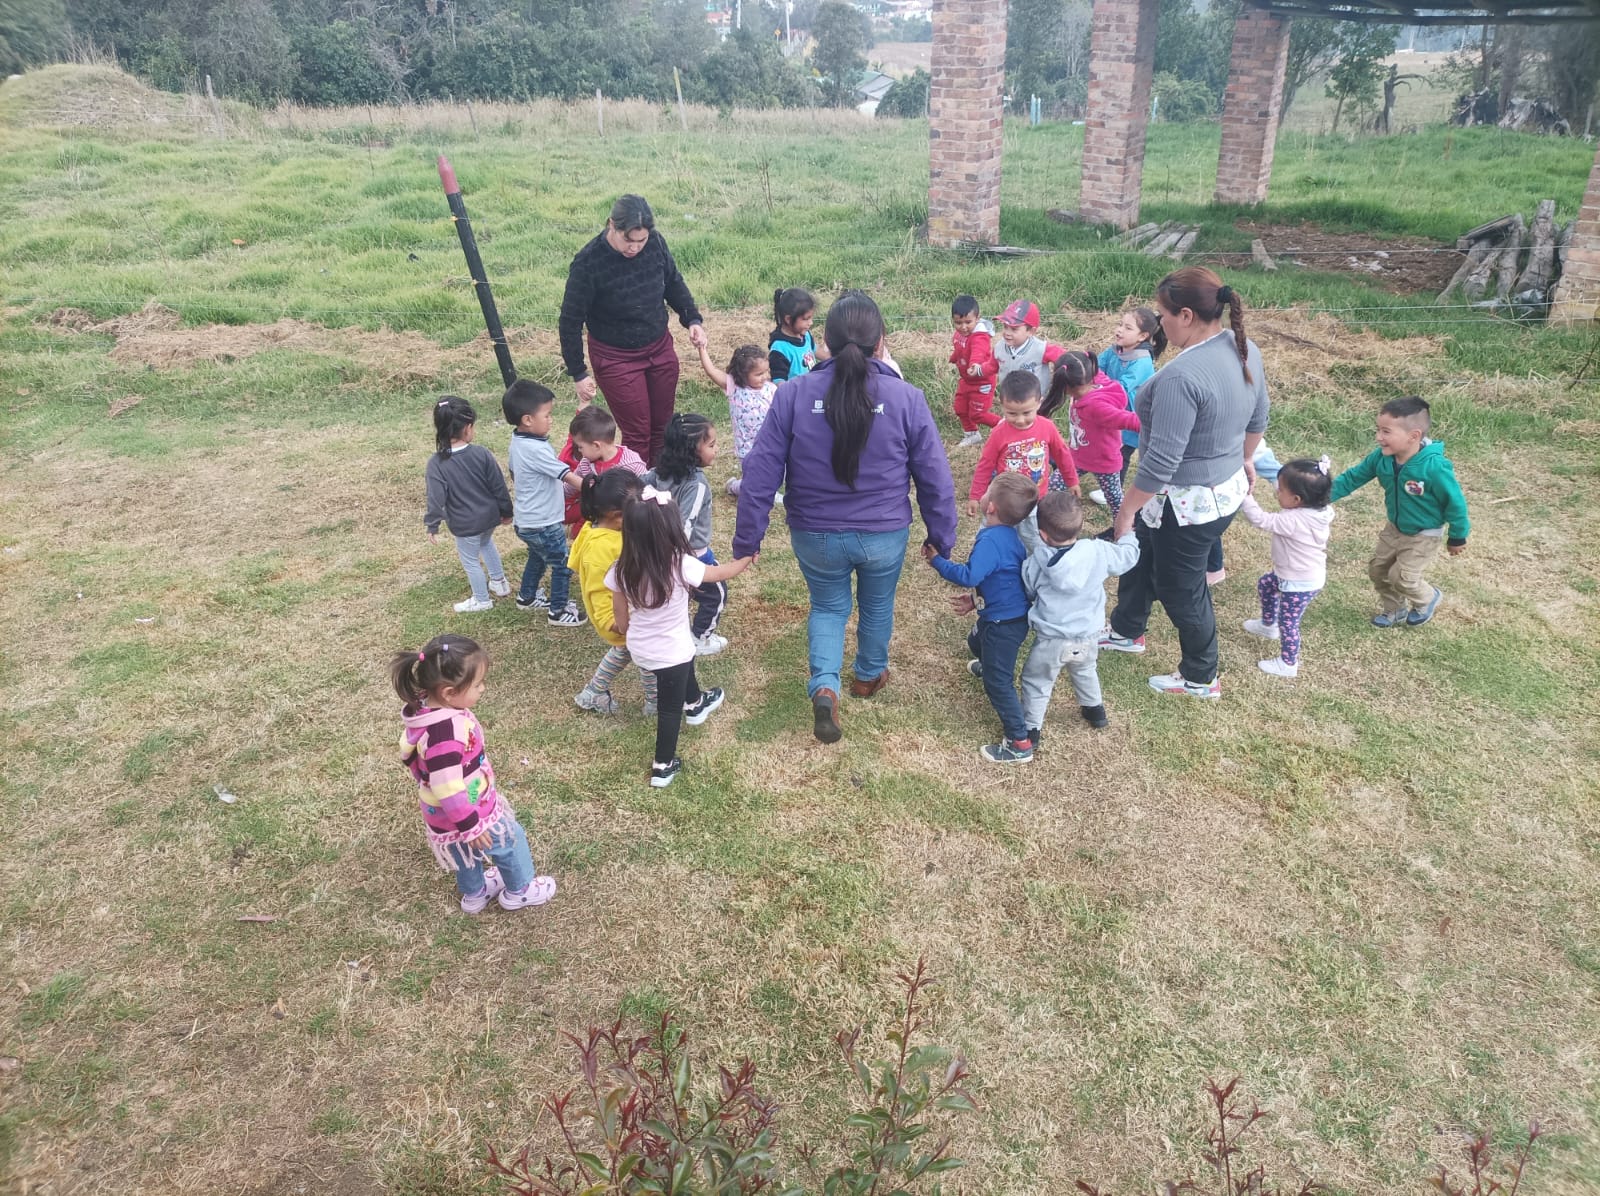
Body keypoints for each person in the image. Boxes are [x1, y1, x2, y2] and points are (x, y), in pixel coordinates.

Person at [733, 289, 958, 744]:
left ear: (825, 344)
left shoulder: (792, 394)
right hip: (883, 533)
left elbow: (760, 474)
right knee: (876, 604)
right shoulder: (906, 398)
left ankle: (825, 685)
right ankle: (869, 675)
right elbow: (935, 476)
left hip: (814, 533)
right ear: (881, 342)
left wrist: (748, 540)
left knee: (829, 606)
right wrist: (942, 535)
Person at [1102, 267, 1271, 702]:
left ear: (1187, 315)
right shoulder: (1243, 347)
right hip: (1221, 490)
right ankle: (1126, 630)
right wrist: (1245, 458)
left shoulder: (1182, 376)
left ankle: (1201, 675)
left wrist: (1127, 508)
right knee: (1142, 557)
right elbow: (1258, 419)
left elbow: (1161, 459)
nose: (1159, 324)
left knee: (1181, 585)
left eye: (1162, 315)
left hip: (1186, 503)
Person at [391, 634, 557, 913]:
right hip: (466, 809)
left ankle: (475, 894)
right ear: (448, 692)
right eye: (477, 684)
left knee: (462, 852)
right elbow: (447, 786)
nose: (483, 689)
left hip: (441, 814)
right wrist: (470, 826)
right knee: (508, 839)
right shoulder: (446, 733)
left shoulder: (426, 710)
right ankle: (520, 889)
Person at [607, 486, 752, 787]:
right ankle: (663, 765)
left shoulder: (622, 568)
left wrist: (621, 629)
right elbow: (720, 574)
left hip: (642, 647)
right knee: (669, 709)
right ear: (671, 528)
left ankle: (696, 702)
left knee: (682, 658)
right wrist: (746, 559)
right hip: (670, 652)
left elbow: (620, 616)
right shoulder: (680, 564)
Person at [559, 195, 705, 467]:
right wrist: (578, 371)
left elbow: (673, 283)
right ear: (612, 225)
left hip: (658, 346)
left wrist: (692, 320)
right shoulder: (588, 262)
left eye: (642, 240)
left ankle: (662, 486)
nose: (635, 247)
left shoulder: (656, 244)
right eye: (628, 240)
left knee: (663, 426)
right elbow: (570, 320)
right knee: (637, 432)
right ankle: (638, 496)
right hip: (616, 357)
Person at [925, 473, 1038, 764]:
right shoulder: (1008, 535)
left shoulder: (991, 541)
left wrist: (937, 561)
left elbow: (970, 575)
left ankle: (1019, 741)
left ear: (991, 508)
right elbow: (1001, 579)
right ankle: (988, 663)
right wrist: (976, 601)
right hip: (1002, 614)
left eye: (987, 492)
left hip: (1005, 624)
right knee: (975, 643)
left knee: (998, 682)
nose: (983, 494)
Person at [1329, 396, 1469, 628]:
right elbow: (1353, 478)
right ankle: (1394, 610)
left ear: (1413, 436)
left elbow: (1455, 503)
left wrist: (1458, 535)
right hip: (1394, 528)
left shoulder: (1434, 467)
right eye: (1378, 430)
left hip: (1424, 533)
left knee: (1402, 577)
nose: (1378, 437)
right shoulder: (1381, 459)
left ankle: (1427, 598)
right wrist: (1322, 497)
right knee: (1378, 570)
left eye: (1386, 432)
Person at [1019, 491, 1141, 738]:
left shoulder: (1035, 563)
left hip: (1051, 640)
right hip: (1088, 634)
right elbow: (1128, 557)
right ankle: (1095, 710)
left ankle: (1031, 730)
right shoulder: (1098, 551)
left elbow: (1029, 589)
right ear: (1079, 525)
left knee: (1037, 682)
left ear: (1042, 534)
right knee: (1085, 669)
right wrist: (1129, 537)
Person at [570, 470, 658, 715]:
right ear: (618, 516)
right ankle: (655, 703)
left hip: (623, 613)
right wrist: (615, 622)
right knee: (646, 655)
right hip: (617, 618)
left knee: (624, 652)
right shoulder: (604, 548)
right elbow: (599, 590)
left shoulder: (592, 528)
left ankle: (594, 692)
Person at [1239, 457, 1336, 678]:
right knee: (1266, 584)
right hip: (1292, 573)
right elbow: (1291, 498)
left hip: (1299, 581)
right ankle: (1267, 624)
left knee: (1289, 622)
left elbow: (1260, 519)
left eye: (1280, 490)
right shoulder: (1318, 510)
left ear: (1297, 499)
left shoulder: (1294, 521)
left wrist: (1246, 497)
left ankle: (1288, 663)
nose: (1276, 492)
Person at [642, 413, 728, 656]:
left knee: (676, 597)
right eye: (711, 445)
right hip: (692, 555)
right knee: (717, 595)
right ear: (691, 451)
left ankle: (671, 632)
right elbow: (685, 526)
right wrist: (681, 560)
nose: (717, 450)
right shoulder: (697, 484)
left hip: (660, 550)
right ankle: (700, 639)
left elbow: (639, 483)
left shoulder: (661, 472)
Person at [502, 379, 586, 627]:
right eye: (547, 415)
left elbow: (514, 474)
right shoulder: (536, 450)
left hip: (526, 520)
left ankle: (526, 597)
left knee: (538, 557)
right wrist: (596, 489)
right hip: (543, 522)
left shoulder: (518, 442)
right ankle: (558, 611)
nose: (551, 419)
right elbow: (567, 476)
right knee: (563, 564)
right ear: (528, 420)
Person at [423, 396, 513, 614]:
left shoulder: (437, 464)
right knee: (486, 543)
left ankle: (482, 600)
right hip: (489, 518)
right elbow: (498, 485)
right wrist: (507, 511)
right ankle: (500, 583)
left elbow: (436, 498)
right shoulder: (481, 453)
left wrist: (432, 524)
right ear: (467, 427)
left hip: (465, 525)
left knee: (470, 560)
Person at [969, 370, 1080, 517]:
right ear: (1002, 406)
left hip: (1037, 497)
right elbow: (986, 464)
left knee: (1032, 534)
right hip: (1007, 499)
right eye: (1012, 413)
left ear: (1039, 403)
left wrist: (1072, 481)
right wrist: (975, 496)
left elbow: (1062, 455)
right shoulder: (998, 433)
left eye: (1027, 413)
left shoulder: (1047, 427)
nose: (1020, 420)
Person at [1044, 350, 1140, 517]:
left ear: (1066, 387)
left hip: (1104, 462)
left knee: (1115, 499)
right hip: (1077, 456)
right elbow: (1076, 363)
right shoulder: (1091, 378)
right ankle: (1048, 516)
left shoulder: (1096, 407)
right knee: (1053, 485)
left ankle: (1126, 528)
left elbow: (1129, 420)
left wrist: (1158, 424)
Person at [695, 340, 776, 499]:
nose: (765, 377)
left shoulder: (771, 389)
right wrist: (702, 349)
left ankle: (749, 488)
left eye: (766, 371)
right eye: (759, 374)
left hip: (769, 444)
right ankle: (735, 487)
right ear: (743, 375)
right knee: (754, 481)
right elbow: (711, 371)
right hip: (747, 448)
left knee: (770, 474)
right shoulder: (734, 386)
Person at [1097, 307, 1166, 487]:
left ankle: (1115, 488)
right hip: (1113, 410)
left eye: (1128, 328)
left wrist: (1097, 385)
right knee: (1105, 446)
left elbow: (1122, 386)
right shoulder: (1114, 350)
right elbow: (1096, 366)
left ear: (1142, 336)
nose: (1120, 330)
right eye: (1120, 324)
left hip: (1131, 416)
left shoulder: (1142, 361)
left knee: (1122, 453)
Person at [949, 294, 998, 448]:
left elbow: (978, 351)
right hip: (966, 380)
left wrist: (975, 365)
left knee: (978, 414)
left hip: (982, 381)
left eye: (968, 322)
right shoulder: (959, 335)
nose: (963, 327)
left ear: (977, 318)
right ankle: (972, 434)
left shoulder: (979, 336)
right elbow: (959, 348)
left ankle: (1005, 426)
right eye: (958, 322)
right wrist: (954, 358)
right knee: (960, 408)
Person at [993, 299, 1066, 395]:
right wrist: (979, 371)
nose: (1007, 333)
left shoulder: (1040, 349)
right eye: (1005, 327)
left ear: (1030, 332)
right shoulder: (1000, 347)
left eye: (1014, 329)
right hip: (1009, 400)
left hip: (1034, 401)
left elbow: (1066, 358)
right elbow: (992, 365)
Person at [570, 405, 647, 482]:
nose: (579, 450)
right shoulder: (585, 464)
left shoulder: (633, 466)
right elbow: (568, 488)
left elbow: (647, 490)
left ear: (596, 445)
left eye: (580, 447)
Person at [769, 287, 827, 382]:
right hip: (796, 395)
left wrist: (833, 360)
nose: (811, 323)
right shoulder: (780, 349)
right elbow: (779, 383)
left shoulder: (805, 335)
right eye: (806, 319)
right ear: (788, 319)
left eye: (811, 318)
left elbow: (815, 350)